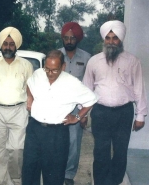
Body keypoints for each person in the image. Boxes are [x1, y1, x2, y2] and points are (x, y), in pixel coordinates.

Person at [83, 20, 148, 185]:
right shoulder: (94, 61)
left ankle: (115, 181)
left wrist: (141, 115)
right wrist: (82, 113)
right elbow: (86, 89)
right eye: (108, 38)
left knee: (120, 152)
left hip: (123, 113)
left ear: (121, 40)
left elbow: (139, 88)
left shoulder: (132, 61)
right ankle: (100, 182)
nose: (111, 42)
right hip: (100, 112)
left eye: (115, 38)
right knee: (100, 151)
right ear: (104, 39)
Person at [22, 50, 97, 185]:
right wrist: (30, 98)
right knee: (29, 170)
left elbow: (91, 99)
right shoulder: (38, 74)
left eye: (54, 70)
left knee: (54, 175)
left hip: (56, 134)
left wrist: (77, 117)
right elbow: (29, 84)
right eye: (47, 69)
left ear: (63, 67)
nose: (50, 74)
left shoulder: (72, 83)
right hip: (34, 130)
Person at [0, 26, 33, 185]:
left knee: (17, 148)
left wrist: (30, 101)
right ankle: (1, 181)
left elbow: (30, 87)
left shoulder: (26, 65)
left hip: (18, 110)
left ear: (16, 46)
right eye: (5, 43)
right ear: (1, 45)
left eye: (11, 44)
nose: (8, 47)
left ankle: (14, 177)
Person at [59, 22, 91, 185]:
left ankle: (69, 175)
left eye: (72, 38)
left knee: (73, 143)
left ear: (77, 39)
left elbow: (89, 87)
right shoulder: (56, 55)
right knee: (56, 140)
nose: (69, 41)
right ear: (63, 38)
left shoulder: (86, 58)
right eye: (66, 38)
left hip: (77, 107)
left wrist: (84, 115)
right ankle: (56, 173)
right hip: (57, 105)